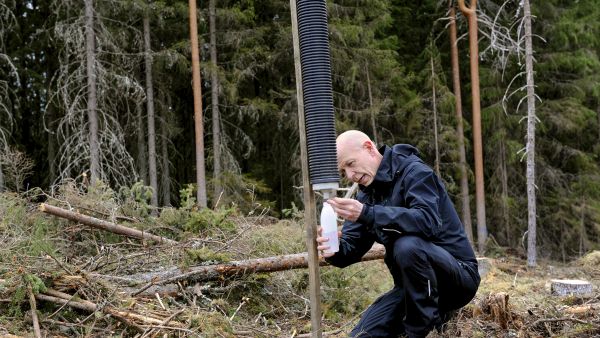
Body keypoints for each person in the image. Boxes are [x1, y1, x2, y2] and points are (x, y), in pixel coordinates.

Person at [317, 130, 480, 338]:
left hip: (457, 279)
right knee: (362, 335)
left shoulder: (415, 172)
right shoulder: (367, 194)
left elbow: (427, 222)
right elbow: (352, 248)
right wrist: (334, 249)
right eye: (343, 171)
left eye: (350, 164)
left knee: (407, 244)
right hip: (411, 288)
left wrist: (368, 214)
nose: (350, 175)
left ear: (369, 148)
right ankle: (434, 315)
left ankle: (422, 330)